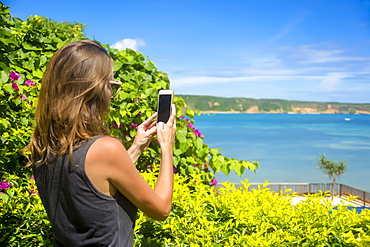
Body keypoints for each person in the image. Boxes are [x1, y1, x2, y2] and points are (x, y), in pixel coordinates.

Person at [23, 40, 176, 246]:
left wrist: (136, 148)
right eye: (111, 85)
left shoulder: (42, 147)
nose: (111, 95)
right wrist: (166, 148)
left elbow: (93, 181)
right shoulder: (106, 149)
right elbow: (161, 209)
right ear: (94, 90)